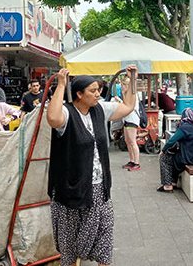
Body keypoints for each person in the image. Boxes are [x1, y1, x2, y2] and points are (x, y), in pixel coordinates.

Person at [46, 66, 138, 266]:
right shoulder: (67, 113)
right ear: (79, 94)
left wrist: (132, 80)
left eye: (99, 90)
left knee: (105, 233)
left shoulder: (99, 110)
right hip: (72, 189)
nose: (98, 94)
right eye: (93, 91)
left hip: (99, 187)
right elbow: (52, 118)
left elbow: (128, 106)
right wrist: (61, 85)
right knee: (69, 242)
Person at [157, 108, 193, 192]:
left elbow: (172, 141)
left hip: (190, 159)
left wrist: (163, 150)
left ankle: (167, 186)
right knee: (175, 157)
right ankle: (173, 182)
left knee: (165, 158)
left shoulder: (184, 127)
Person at [120, 77, 141, 171]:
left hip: (132, 119)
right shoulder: (126, 94)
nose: (122, 87)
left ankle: (136, 163)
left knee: (132, 141)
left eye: (123, 85)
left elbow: (128, 106)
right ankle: (132, 161)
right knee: (127, 141)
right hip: (126, 119)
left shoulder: (133, 94)